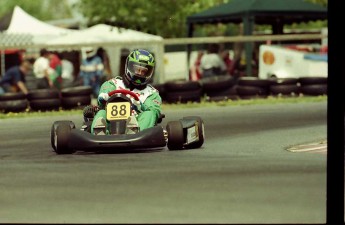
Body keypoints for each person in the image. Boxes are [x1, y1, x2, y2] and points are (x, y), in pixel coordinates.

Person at [90, 49, 162, 135]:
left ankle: (134, 132)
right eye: (137, 69)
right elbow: (104, 93)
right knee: (101, 112)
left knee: (149, 114)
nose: (139, 74)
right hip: (110, 123)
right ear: (128, 67)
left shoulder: (151, 93)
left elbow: (154, 111)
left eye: (144, 71)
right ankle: (100, 133)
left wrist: (140, 106)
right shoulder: (113, 83)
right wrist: (103, 97)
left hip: (137, 121)